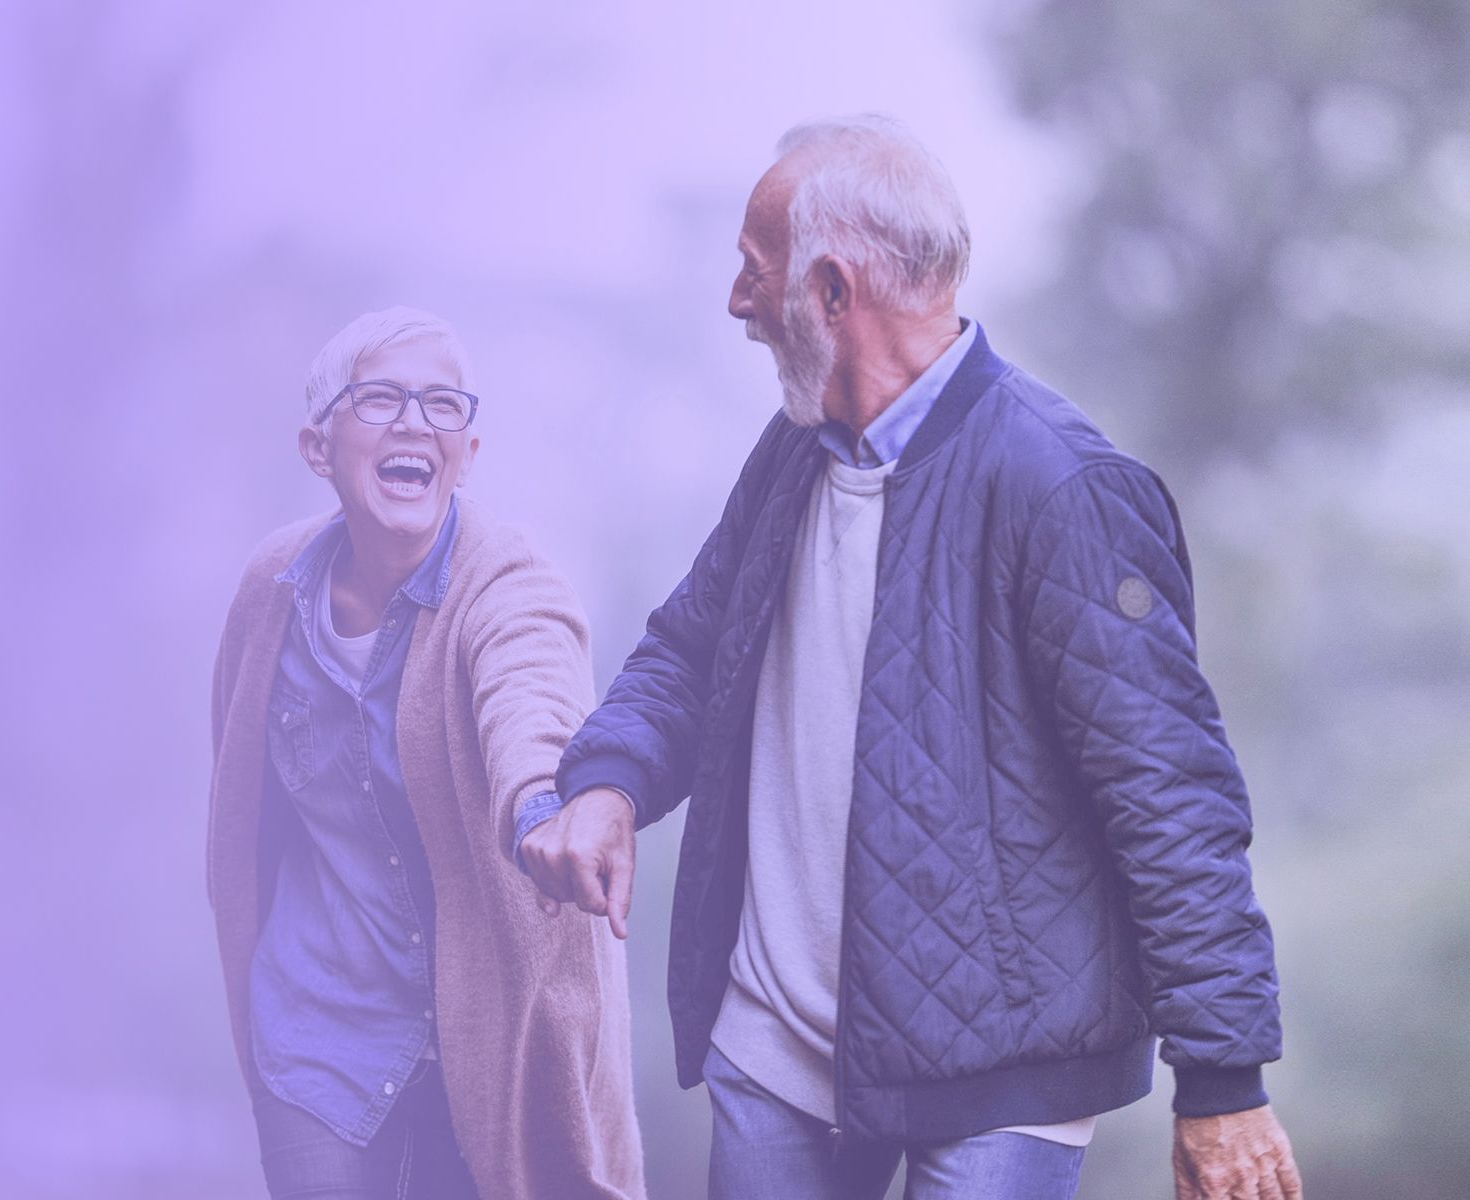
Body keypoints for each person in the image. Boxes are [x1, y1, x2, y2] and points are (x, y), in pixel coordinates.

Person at [516, 117, 1303, 1200]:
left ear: (831, 292)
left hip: (1002, 1073)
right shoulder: (792, 450)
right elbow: (692, 649)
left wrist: (1223, 1081)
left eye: (753, 274)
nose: (735, 305)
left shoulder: (1061, 488)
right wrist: (607, 783)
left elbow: (1168, 797)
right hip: (774, 1049)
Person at [207, 307, 646, 1199]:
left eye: (443, 406)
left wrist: (542, 811)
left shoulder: (510, 583)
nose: (415, 423)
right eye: (381, 400)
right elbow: (242, 811)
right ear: (318, 446)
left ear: (468, 454)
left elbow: (533, 705)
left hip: (481, 1041)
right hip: (315, 1032)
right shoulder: (271, 592)